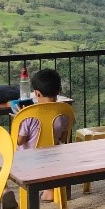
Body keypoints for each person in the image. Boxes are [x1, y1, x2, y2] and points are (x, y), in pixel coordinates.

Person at [15, 68, 68, 202]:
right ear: (58, 91)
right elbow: (63, 138)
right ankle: (49, 191)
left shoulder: (28, 115)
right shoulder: (62, 113)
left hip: (27, 163)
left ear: (37, 93)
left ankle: (4, 192)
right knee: (52, 148)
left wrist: (18, 120)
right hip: (52, 161)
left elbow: (20, 141)